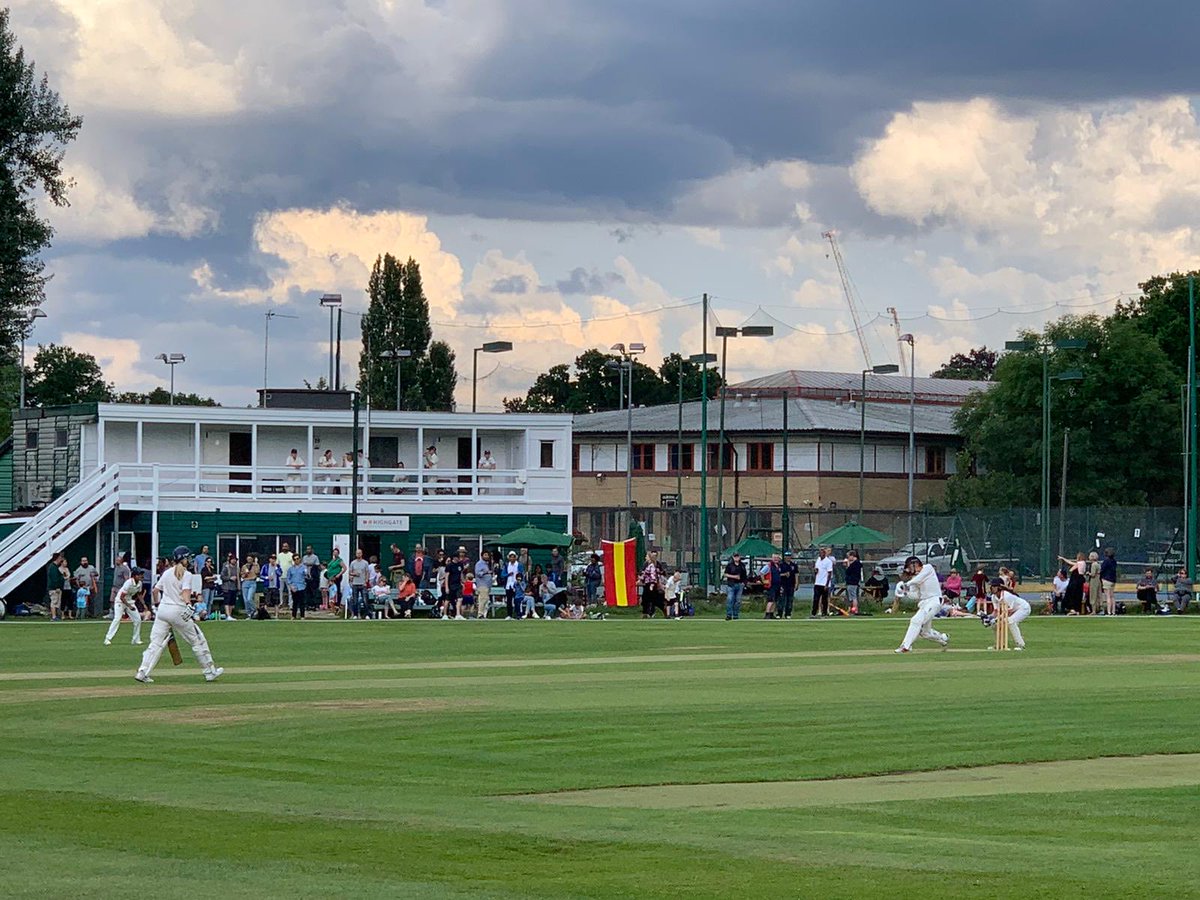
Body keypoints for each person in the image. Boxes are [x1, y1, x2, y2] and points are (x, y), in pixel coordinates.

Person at [135, 546, 223, 684]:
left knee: (156, 643)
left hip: (163, 611)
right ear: (184, 559)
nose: (189, 560)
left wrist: (157, 606)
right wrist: (188, 604)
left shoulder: (166, 572)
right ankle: (209, 672)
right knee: (197, 640)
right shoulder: (186, 574)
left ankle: (142, 671)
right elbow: (185, 592)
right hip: (179, 611)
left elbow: (155, 591)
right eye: (188, 558)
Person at [894, 555, 950, 653]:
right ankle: (943, 638)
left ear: (915, 564)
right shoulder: (914, 579)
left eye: (910, 567)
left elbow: (919, 579)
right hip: (924, 603)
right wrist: (905, 592)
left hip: (934, 600)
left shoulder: (928, 568)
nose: (909, 570)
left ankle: (906, 646)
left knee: (916, 620)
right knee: (925, 633)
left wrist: (907, 584)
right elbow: (916, 595)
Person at [985, 577, 1030, 650]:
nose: (991, 588)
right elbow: (996, 611)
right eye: (991, 586)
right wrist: (989, 618)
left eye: (993, 586)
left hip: (1023, 608)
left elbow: (1008, 611)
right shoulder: (993, 597)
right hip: (1012, 610)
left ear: (999, 587)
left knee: (1010, 621)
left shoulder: (1007, 596)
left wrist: (997, 619)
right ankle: (999, 644)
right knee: (995, 625)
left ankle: (1021, 645)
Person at [104, 567, 145, 645]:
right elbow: (122, 597)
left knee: (138, 620)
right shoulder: (128, 582)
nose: (141, 576)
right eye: (139, 575)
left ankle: (135, 639)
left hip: (129, 601)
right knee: (117, 618)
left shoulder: (140, 583)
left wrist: (144, 604)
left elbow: (139, 594)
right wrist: (129, 606)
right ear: (134, 576)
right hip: (120, 601)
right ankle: (107, 639)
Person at [640, 552, 667, 618]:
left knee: (654, 600)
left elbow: (653, 576)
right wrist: (641, 579)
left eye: (646, 556)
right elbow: (645, 574)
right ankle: (646, 613)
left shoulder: (652, 566)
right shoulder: (647, 565)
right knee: (645, 599)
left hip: (651, 585)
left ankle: (664, 610)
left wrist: (652, 584)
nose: (645, 557)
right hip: (647, 584)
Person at [723, 552, 747, 620]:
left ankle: (736, 615)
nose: (736, 558)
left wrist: (744, 583)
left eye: (737, 556)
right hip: (731, 584)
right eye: (735, 557)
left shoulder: (742, 565)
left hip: (740, 584)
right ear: (733, 557)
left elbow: (744, 575)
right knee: (730, 599)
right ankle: (729, 614)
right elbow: (725, 574)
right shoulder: (730, 565)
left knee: (738, 600)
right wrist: (734, 577)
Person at [812, 547, 834, 618]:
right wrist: (815, 571)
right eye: (820, 553)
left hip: (824, 583)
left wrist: (827, 584)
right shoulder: (818, 560)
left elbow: (829, 573)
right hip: (817, 582)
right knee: (816, 599)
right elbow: (816, 570)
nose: (821, 554)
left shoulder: (828, 561)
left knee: (824, 600)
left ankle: (824, 613)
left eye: (822, 553)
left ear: (825, 553)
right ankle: (814, 613)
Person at [348, 549, 371, 619]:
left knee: (365, 600)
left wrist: (366, 582)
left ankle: (367, 614)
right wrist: (354, 574)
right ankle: (355, 614)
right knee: (355, 600)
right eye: (357, 553)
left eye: (359, 553)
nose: (358, 554)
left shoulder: (365, 563)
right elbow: (350, 572)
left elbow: (367, 573)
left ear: (362, 554)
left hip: (362, 584)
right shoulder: (353, 563)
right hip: (355, 584)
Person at [109, 551, 131, 619]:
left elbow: (126, 579)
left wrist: (125, 588)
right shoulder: (116, 567)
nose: (116, 561)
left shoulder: (125, 569)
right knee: (112, 600)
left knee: (120, 601)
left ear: (121, 561)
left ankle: (123, 614)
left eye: (118, 560)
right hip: (114, 587)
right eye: (116, 560)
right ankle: (113, 613)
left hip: (120, 588)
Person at [841, 549, 863, 614]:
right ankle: (852, 609)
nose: (848, 558)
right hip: (853, 581)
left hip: (852, 582)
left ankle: (855, 609)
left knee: (853, 596)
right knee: (851, 597)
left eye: (849, 556)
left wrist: (848, 565)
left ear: (852, 556)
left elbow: (848, 571)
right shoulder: (856, 563)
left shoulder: (855, 564)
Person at [504, 550, 524, 620]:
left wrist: (519, 580)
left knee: (517, 600)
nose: (512, 558)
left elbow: (521, 574)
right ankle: (509, 614)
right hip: (508, 585)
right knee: (509, 601)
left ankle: (518, 614)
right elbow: (502, 574)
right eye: (511, 557)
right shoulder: (507, 565)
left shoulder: (519, 565)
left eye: (513, 557)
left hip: (517, 585)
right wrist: (508, 574)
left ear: (516, 558)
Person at [46, 553, 66, 621]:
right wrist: (57, 587)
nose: (61, 559)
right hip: (54, 588)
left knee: (57, 602)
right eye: (60, 557)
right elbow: (54, 579)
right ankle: (53, 616)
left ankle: (56, 615)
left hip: (57, 588)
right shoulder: (53, 567)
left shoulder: (56, 567)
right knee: (54, 602)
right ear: (57, 558)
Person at [240, 554, 260, 619]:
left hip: (252, 582)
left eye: (250, 559)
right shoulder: (244, 566)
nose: (249, 560)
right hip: (245, 582)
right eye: (248, 559)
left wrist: (256, 563)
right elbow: (242, 576)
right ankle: (249, 613)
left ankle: (255, 610)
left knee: (249, 598)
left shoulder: (256, 565)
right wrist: (245, 574)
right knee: (245, 600)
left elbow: (257, 572)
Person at [474, 551, 494, 618]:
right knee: (483, 599)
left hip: (487, 585)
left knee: (485, 599)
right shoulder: (479, 564)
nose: (487, 556)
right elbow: (478, 573)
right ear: (482, 556)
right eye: (485, 555)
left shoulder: (487, 564)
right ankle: (480, 614)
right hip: (482, 584)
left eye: (487, 555)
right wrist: (486, 572)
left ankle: (483, 614)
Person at [1098, 548, 1118, 616]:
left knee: (1108, 596)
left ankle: (1109, 612)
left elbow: (1102, 570)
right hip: (1113, 580)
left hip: (1106, 579)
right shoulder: (1114, 561)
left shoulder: (1106, 561)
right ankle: (1113, 611)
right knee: (1112, 596)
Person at [326, 548, 345, 615]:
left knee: (336, 591)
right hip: (330, 578)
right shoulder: (332, 560)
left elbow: (344, 568)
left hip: (336, 578)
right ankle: (332, 607)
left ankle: (337, 606)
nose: (335, 553)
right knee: (331, 592)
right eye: (334, 552)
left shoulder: (339, 560)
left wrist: (338, 574)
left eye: (336, 552)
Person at [219, 553, 239, 620]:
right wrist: (230, 578)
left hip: (234, 587)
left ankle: (230, 615)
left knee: (232, 602)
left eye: (235, 560)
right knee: (227, 601)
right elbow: (222, 576)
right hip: (227, 587)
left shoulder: (237, 568)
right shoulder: (226, 567)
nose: (234, 561)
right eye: (233, 559)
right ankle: (227, 615)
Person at [763, 553, 782, 619]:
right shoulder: (769, 566)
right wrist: (764, 581)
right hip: (771, 586)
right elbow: (762, 573)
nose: (776, 559)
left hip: (777, 585)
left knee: (775, 600)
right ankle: (767, 614)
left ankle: (771, 613)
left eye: (777, 557)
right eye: (774, 557)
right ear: (772, 558)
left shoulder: (778, 566)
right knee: (770, 600)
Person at [1085, 551, 1102, 615]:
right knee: (1098, 595)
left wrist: (1088, 573)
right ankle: (1099, 608)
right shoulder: (1098, 564)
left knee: (1093, 595)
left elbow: (1093, 574)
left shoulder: (1093, 565)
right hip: (1098, 580)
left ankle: (1094, 610)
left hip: (1094, 581)